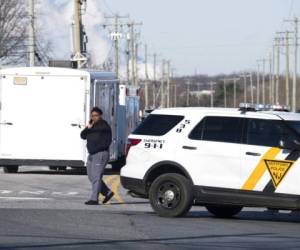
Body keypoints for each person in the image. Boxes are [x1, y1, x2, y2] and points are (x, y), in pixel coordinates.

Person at [80, 107, 114, 205]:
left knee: (96, 177)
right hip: (91, 154)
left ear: (100, 116)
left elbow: (107, 142)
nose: (93, 117)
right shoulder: (92, 126)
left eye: (95, 115)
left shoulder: (104, 126)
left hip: (100, 154)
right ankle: (107, 192)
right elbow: (82, 135)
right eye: (92, 116)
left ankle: (94, 199)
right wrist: (88, 128)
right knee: (91, 176)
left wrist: (96, 149)